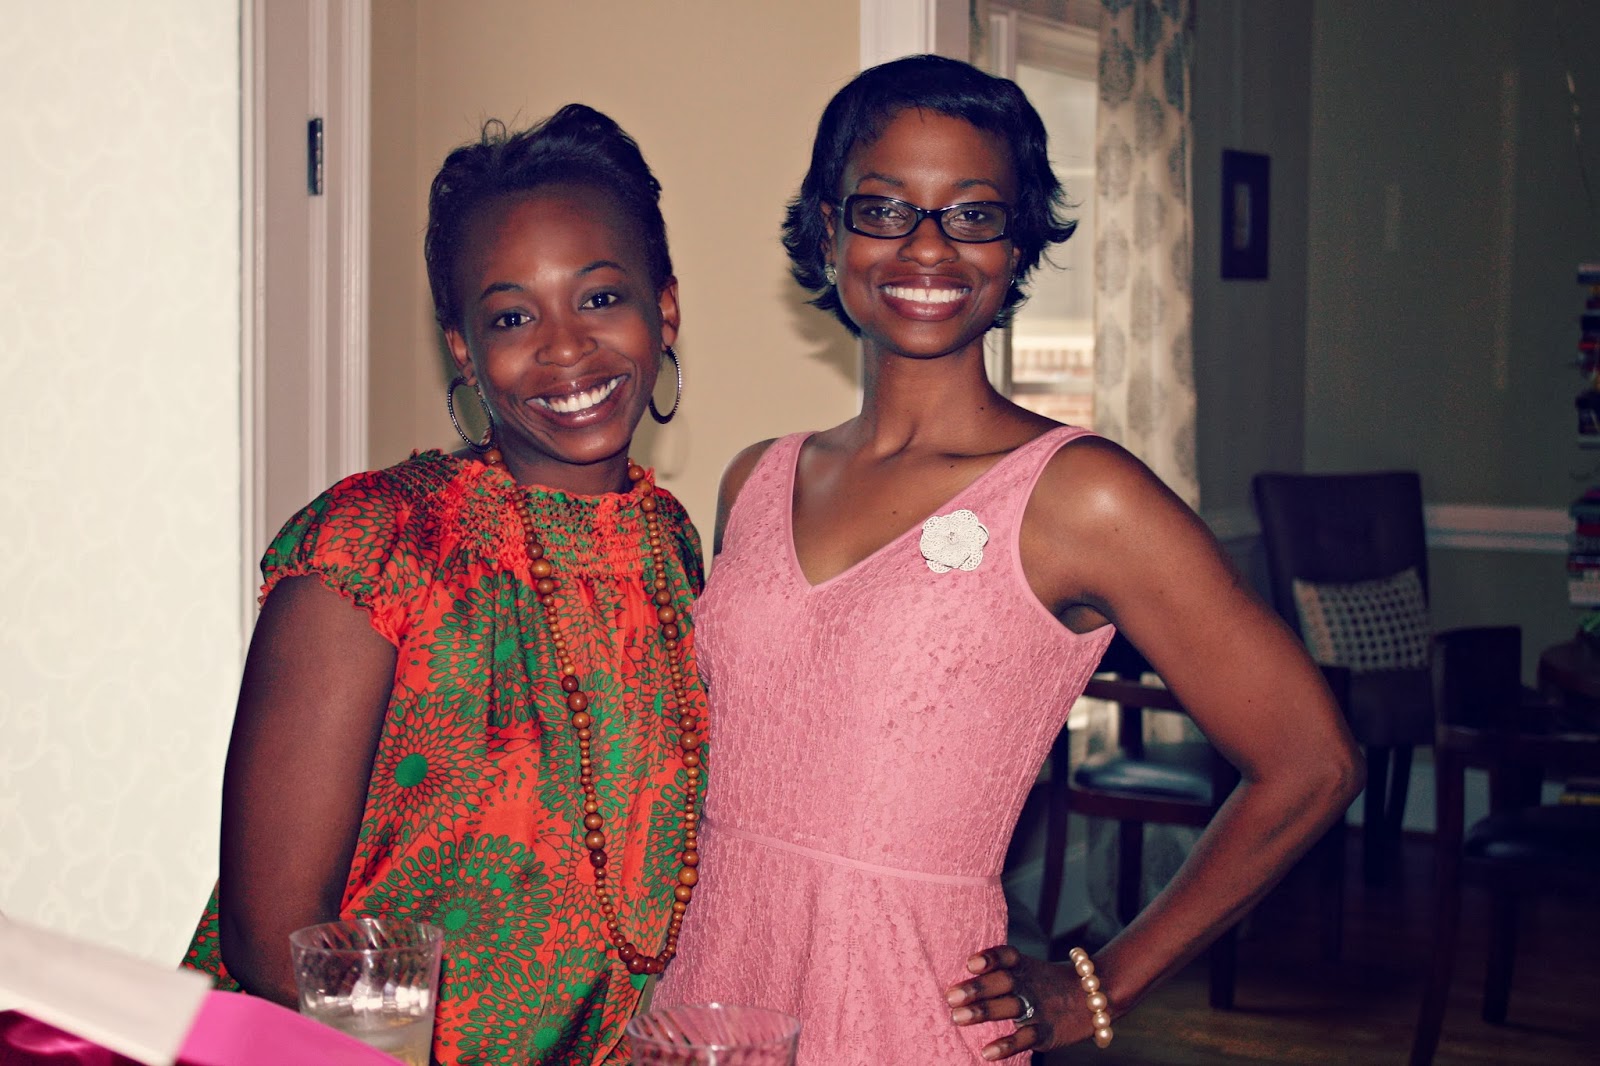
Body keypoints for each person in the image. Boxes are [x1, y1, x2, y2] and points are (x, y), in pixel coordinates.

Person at [653, 55, 1362, 1063]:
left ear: (1018, 241)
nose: (927, 246)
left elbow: (1312, 763)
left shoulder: (1081, 497)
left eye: (973, 214)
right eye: (884, 208)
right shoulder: (755, 481)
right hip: (709, 1000)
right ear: (826, 228)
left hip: (902, 1012)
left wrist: (1100, 985)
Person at [181, 104, 708, 1066]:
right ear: (464, 349)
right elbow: (271, 940)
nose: (565, 347)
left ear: (663, 310)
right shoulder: (376, 542)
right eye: (512, 316)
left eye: (599, 297)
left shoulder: (670, 546)